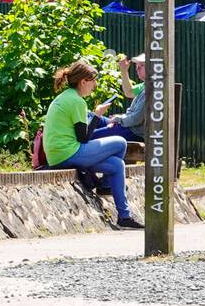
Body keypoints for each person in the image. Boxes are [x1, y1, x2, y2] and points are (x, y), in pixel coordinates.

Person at [42, 59, 142, 230]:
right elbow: (83, 138)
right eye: (93, 80)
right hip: (69, 152)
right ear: (83, 82)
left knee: (117, 164)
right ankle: (104, 185)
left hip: (60, 154)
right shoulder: (77, 101)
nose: (95, 85)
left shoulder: (68, 97)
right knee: (120, 142)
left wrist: (95, 116)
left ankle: (124, 217)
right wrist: (97, 115)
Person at [90, 53, 145, 141]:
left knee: (88, 136)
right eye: (137, 65)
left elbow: (136, 119)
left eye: (141, 65)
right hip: (126, 125)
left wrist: (118, 119)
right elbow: (129, 92)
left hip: (132, 131)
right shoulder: (145, 85)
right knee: (89, 115)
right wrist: (123, 70)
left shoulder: (151, 89)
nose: (137, 68)